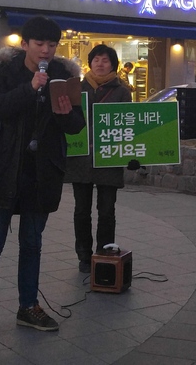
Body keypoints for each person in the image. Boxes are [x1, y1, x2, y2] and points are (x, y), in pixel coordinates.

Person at [0, 16, 85, 343]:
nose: (46, 50)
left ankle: (28, 306)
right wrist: (28, 88)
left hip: (42, 171)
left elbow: (77, 124)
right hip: (4, 168)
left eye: (52, 44)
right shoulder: (8, 71)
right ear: (26, 45)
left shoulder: (64, 76)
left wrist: (65, 113)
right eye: (39, 44)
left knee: (32, 244)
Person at [65, 44, 133, 273]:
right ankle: (84, 255)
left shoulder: (122, 91)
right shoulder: (77, 88)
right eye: (96, 59)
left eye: (105, 60)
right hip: (81, 160)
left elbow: (128, 125)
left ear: (113, 64)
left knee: (107, 211)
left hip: (108, 159)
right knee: (81, 210)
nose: (100, 63)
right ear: (90, 63)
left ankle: (104, 252)